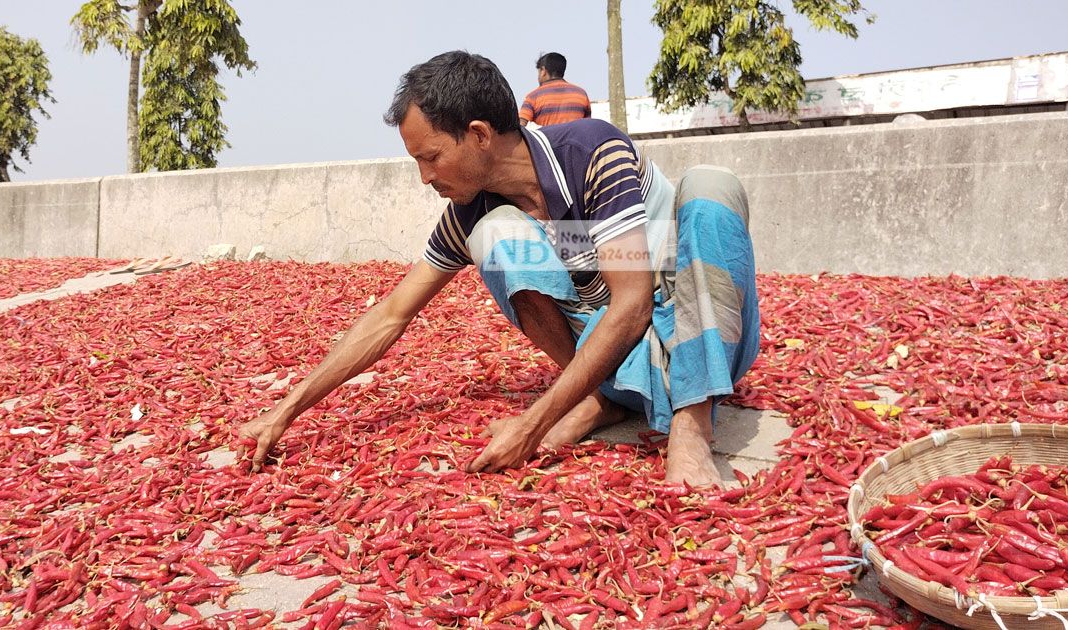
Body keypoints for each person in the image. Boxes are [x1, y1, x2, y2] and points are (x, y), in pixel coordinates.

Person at [237, 51, 759, 488]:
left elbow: (634, 303)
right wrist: (286, 410)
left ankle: (692, 425)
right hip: (616, 363)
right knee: (494, 238)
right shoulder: (472, 212)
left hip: (692, 342)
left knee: (711, 186)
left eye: (432, 157)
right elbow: (392, 314)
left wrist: (534, 424)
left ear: (480, 134)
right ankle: (601, 398)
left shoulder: (592, 152)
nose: (425, 177)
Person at [518, 52, 591, 127]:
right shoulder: (581, 94)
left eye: (539, 72)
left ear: (543, 71)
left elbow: (521, 126)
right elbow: (587, 127)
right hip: (576, 138)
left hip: (548, 138)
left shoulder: (533, 97)